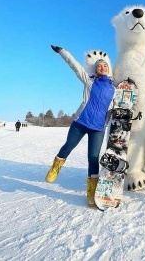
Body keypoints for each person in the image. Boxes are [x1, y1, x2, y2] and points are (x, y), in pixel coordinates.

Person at [45, 45, 115, 207]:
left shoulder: (114, 89)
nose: (102, 67)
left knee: (93, 158)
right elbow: (75, 66)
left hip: (98, 128)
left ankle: (92, 192)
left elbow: (122, 104)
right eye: (99, 66)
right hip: (81, 122)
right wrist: (63, 52)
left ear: (108, 69)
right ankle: (56, 167)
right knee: (68, 146)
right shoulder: (89, 81)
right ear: (96, 69)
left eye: (105, 65)